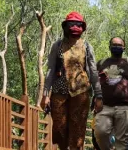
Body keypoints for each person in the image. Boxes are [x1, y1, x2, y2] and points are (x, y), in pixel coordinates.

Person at [40, 11, 103, 150]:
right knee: (59, 130)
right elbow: (50, 70)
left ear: (82, 27)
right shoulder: (57, 46)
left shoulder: (87, 46)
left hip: (80, 92)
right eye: (72, 24)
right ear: (66, 27)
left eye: (78, 24)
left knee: (78, 130)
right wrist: (45, 94)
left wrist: (98, 95)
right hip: (59, 91)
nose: (75, 27)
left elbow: (93, 71)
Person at [93, 37, 128, 150]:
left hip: (124, 107)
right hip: (104, 106)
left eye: (119, 45)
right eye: (114, 44)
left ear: (124, 48)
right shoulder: (101, 63)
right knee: (100, 133)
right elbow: (94, 82)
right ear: (109, 47)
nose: (116, 47)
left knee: (122, 140)